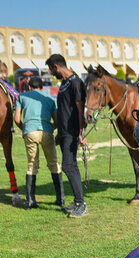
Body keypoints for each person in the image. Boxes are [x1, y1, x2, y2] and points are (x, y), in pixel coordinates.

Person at [45, 54, 87, 218]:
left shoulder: (76, 82)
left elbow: (79, 109)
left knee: (68, 166)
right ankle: (77, 201)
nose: (51, 73)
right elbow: (64, 109)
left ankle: (82, 204)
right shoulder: (64, 83)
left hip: (72, 132)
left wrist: (80, 133)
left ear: (56, 66)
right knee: (71, 166)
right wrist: (59, 134)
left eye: (51, 70)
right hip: (64, 132)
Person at [14, 76, 64, 210]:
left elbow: (17, 119)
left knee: (32, 165)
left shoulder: (22, 97)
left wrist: (25, 129)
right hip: (46, 131)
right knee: (54, 164)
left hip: (29, 132)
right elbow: (57, 121)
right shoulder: (49, 99)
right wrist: (49, 128)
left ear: (29, 87)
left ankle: (30, 200)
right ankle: (60, 199)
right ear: (42, 88)